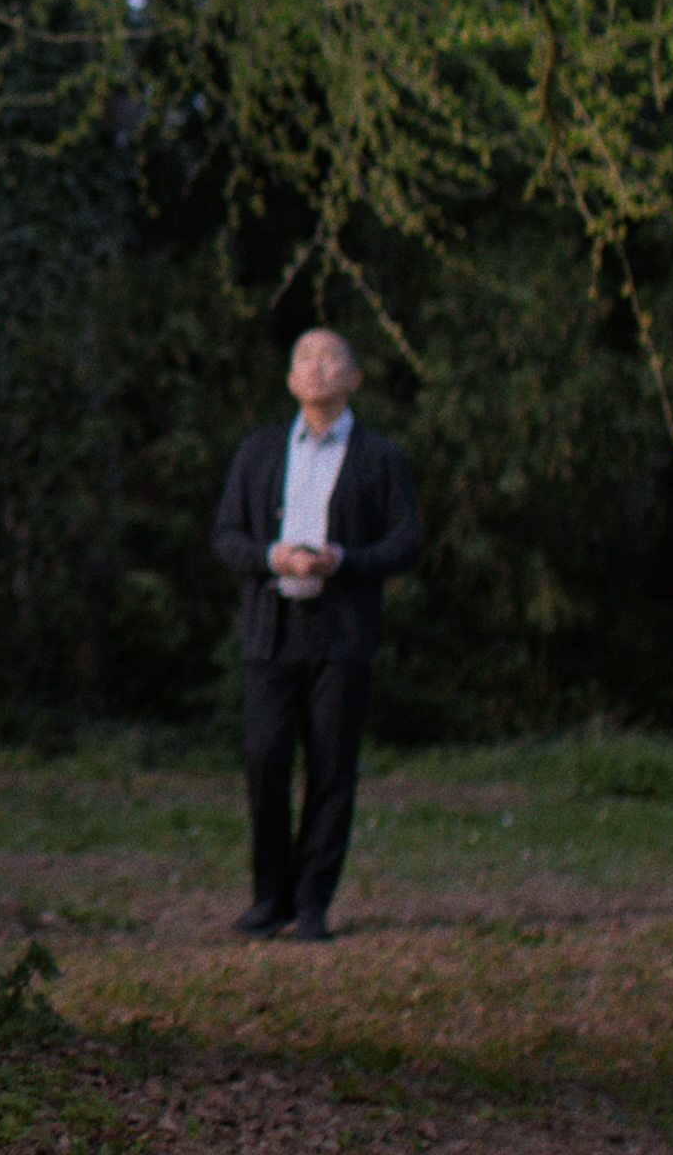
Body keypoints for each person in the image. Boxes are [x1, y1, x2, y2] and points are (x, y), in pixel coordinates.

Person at [208, 327, 421, 942]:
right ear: (289, 378)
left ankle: (311, 903)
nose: (316, 366)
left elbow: (406, 543)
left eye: (330, 358)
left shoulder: (380, 457)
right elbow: (226, 536)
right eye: (304, 356)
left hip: (342, 631)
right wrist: (273, 557)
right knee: (264, 757)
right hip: (271, 628)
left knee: (332, 767)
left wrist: (344, 561)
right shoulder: (258, 452)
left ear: (354, 378)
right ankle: (267, 898)